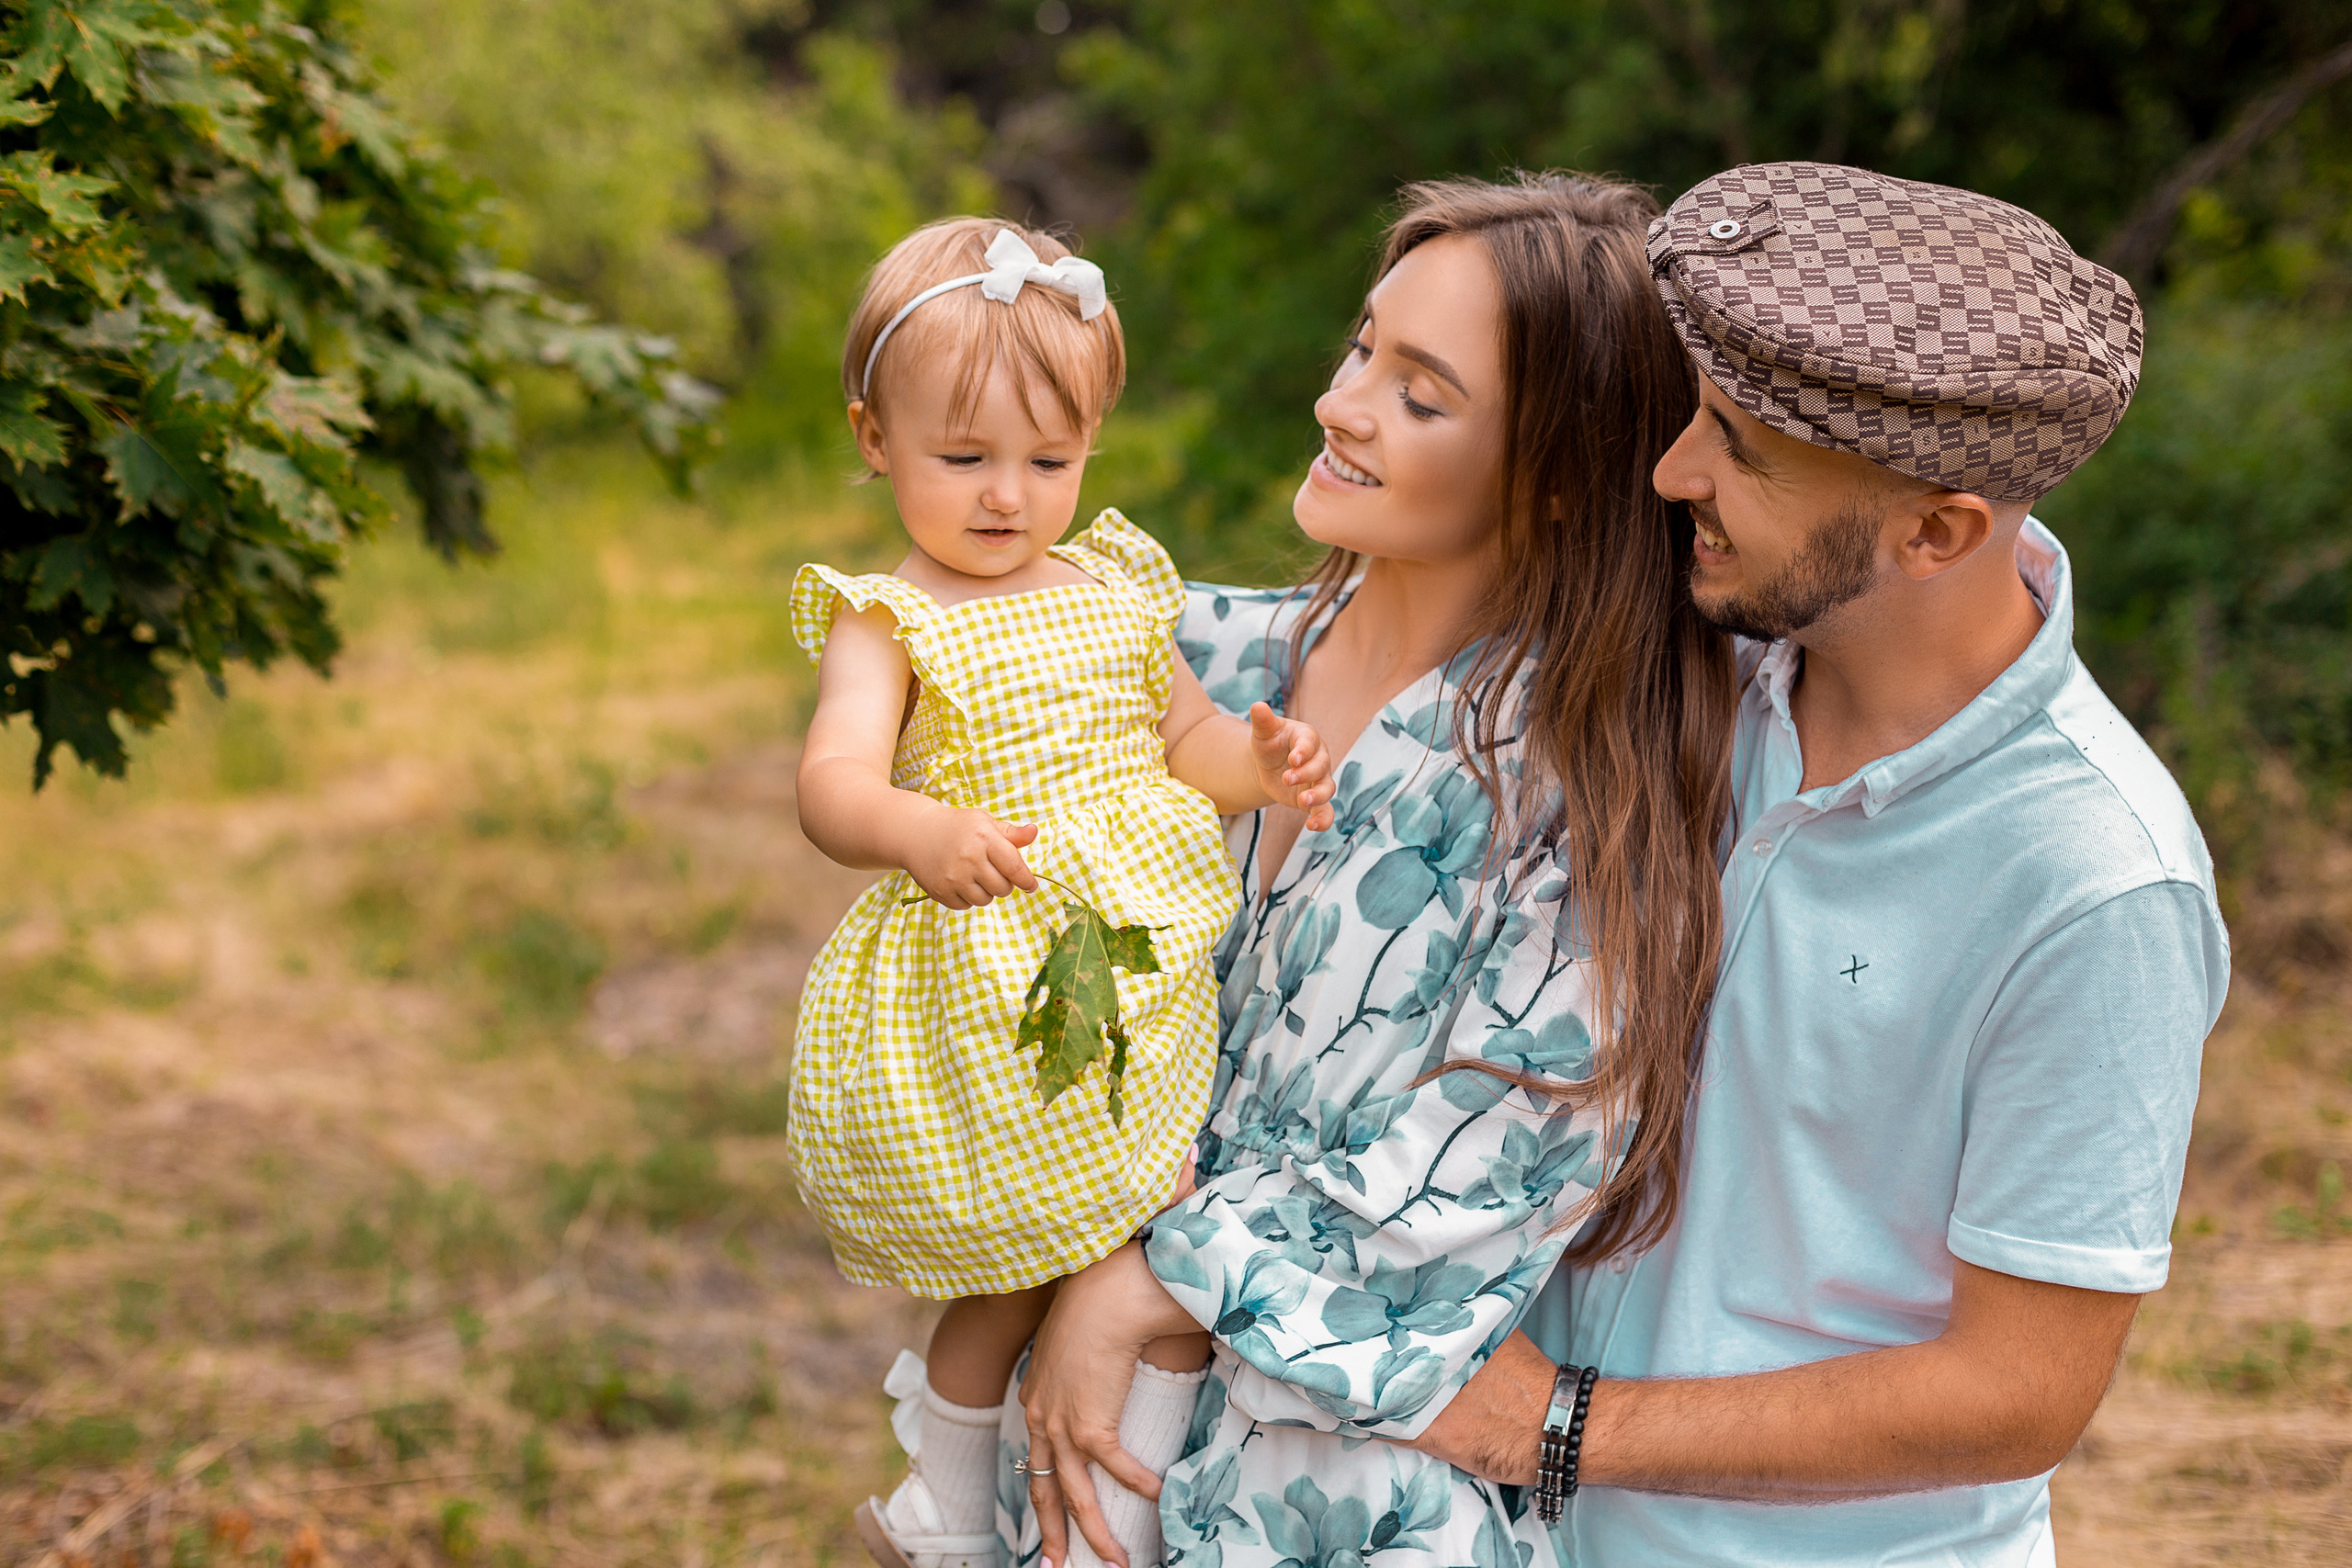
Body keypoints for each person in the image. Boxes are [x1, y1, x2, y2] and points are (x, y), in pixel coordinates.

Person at [1407, 162, 2231, 1565]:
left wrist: (1555, 1426)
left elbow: (2016, 1391)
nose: (1674, 475)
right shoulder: (1682, 670)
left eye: (1740, 446)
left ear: (1938, 531)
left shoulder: (2098, 880)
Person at [1007, 174, 1739, 1568]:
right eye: (1362, 350)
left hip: (1334, 1503)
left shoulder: (1578, 790)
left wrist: (1146, 1281)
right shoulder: (1188, 666)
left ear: (1561, 471)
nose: (1343, 405)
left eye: (1422, 392)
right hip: (1067, 1447)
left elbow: (1497, 1166)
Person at [788, 217, 1339, 1568]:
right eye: (963, 458)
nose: (1007, 496)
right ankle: (947, 1499)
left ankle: (1118, 1498)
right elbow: (831, 782)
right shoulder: (889, 616)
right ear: (874, 439)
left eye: (1051, 460)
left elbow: (1186, 746)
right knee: (1019, 1256)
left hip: (1131, 975)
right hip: (990, 982)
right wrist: (916, 829)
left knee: (1146, 1225)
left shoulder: (1112, 588)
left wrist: (1259, 762)